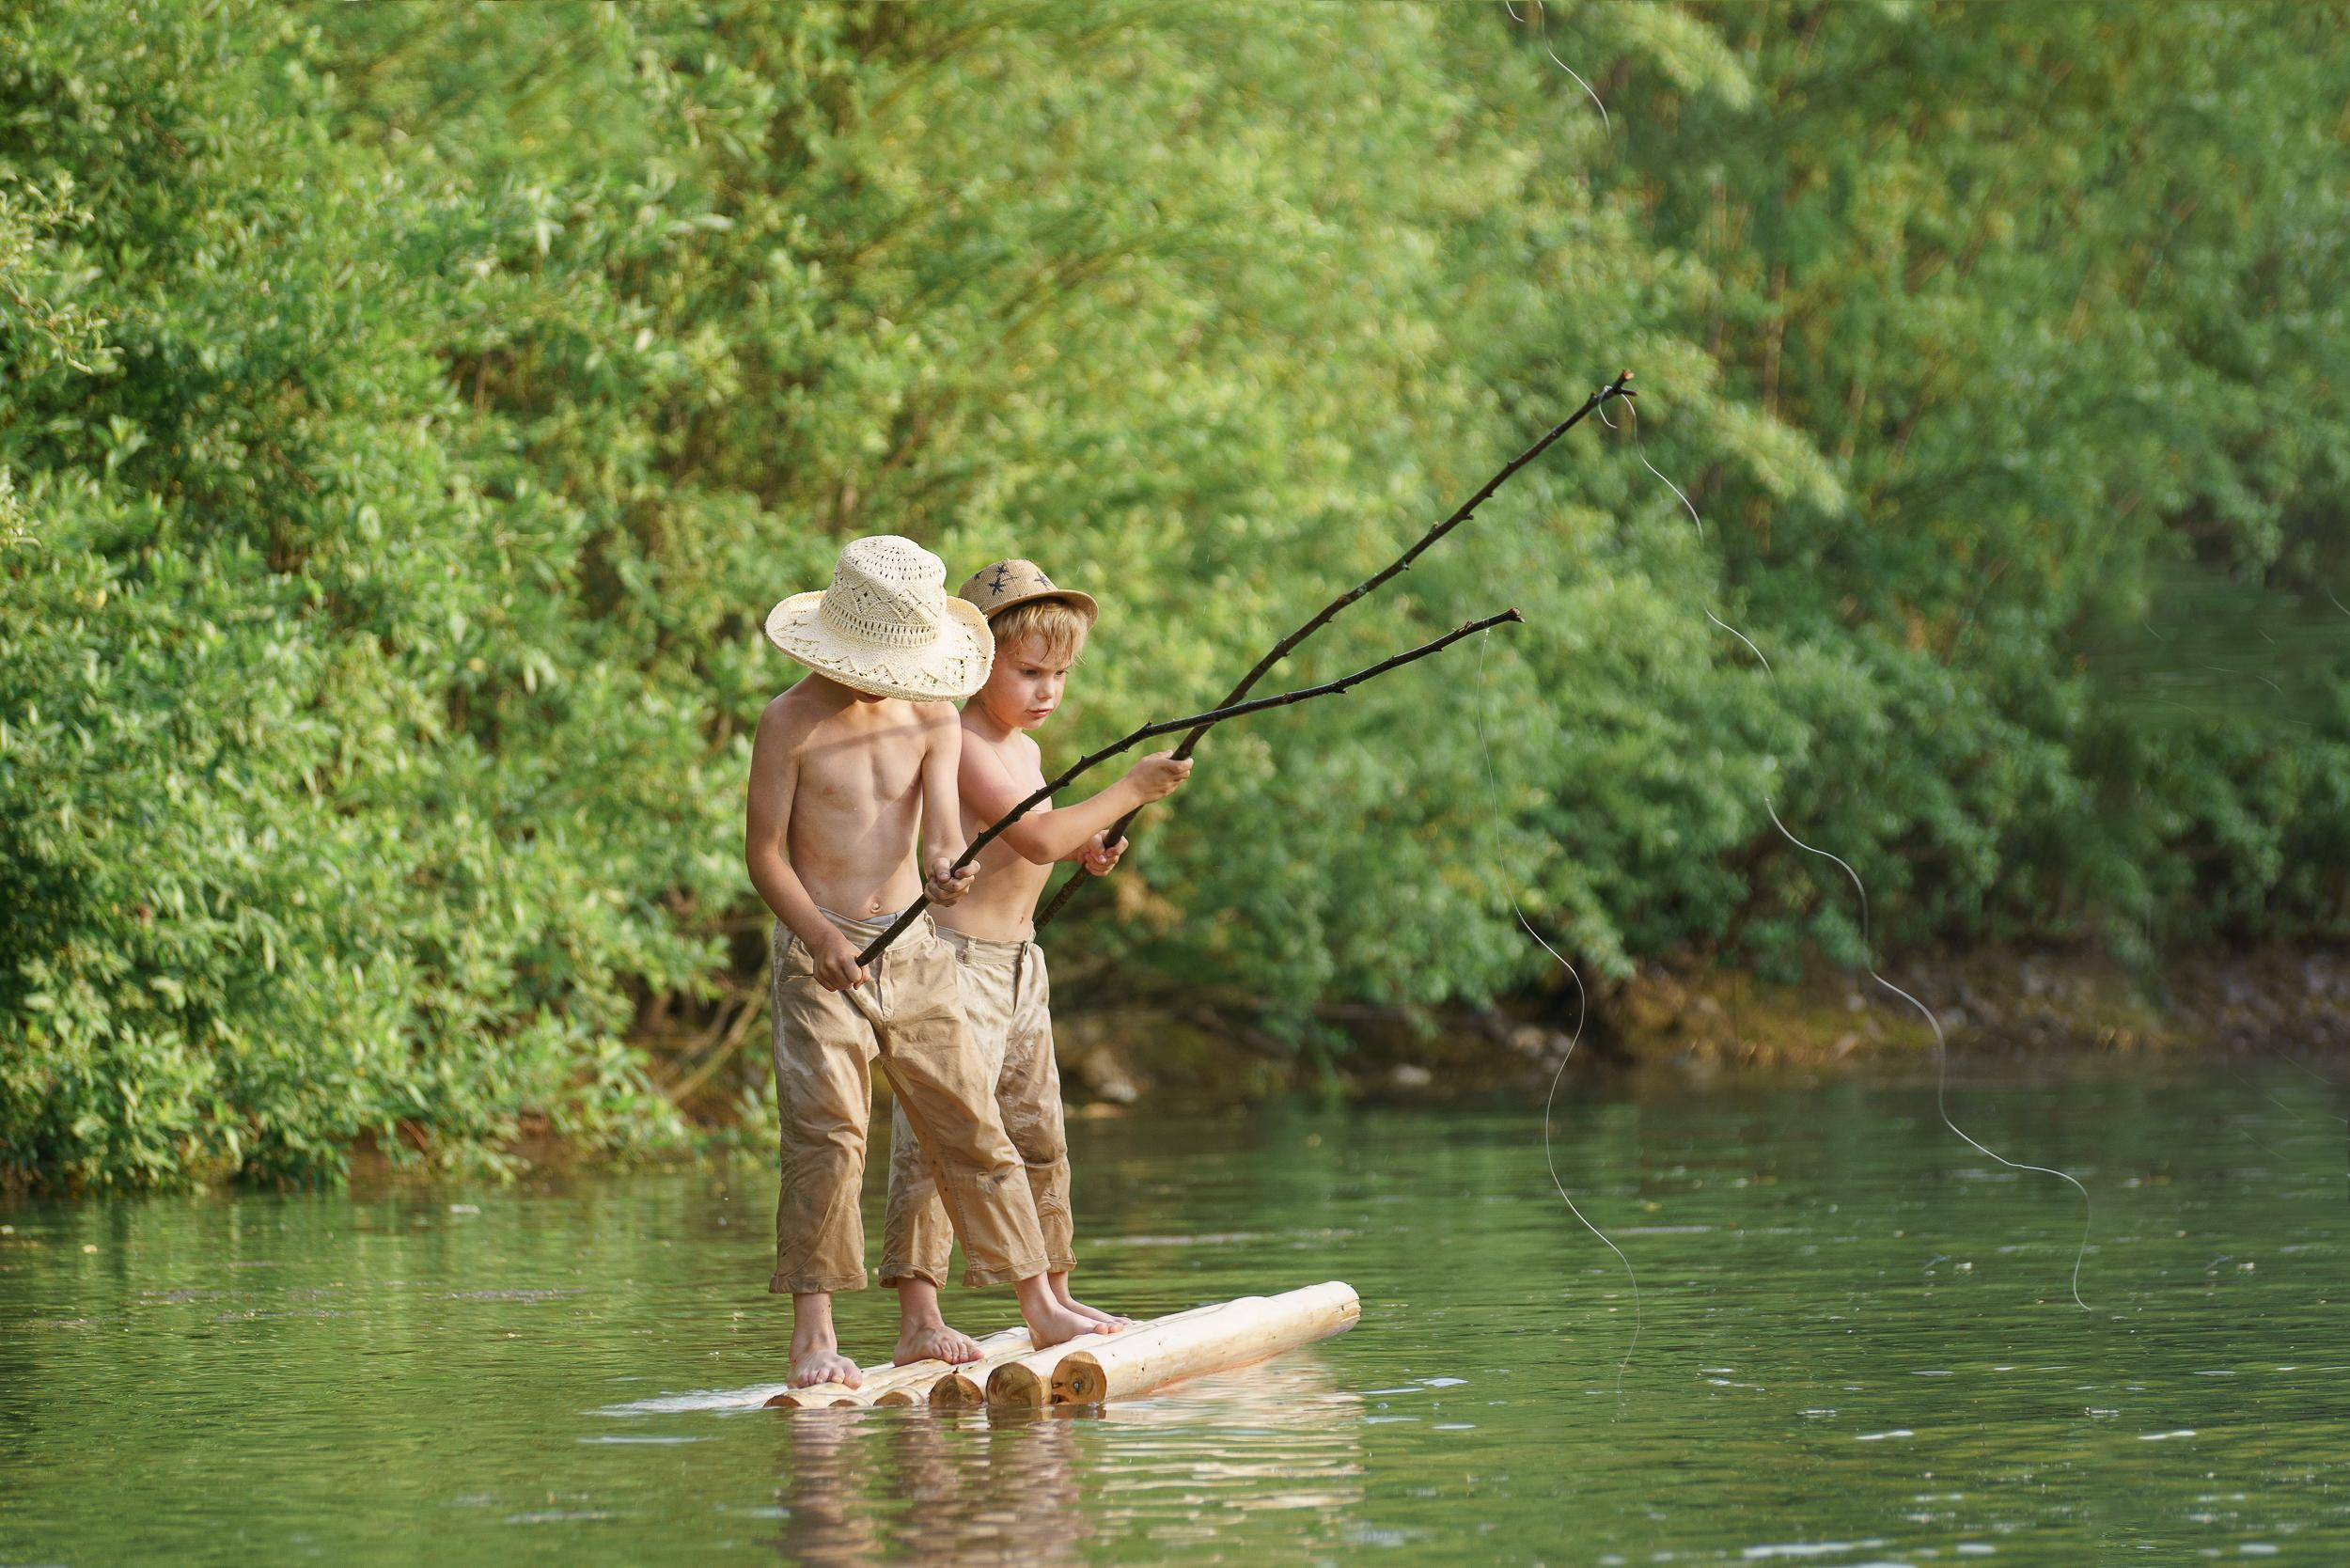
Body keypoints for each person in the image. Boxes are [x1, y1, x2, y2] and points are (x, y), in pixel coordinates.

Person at [744, 536, 1117, 1388]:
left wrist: (948, 872)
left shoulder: (931, 714)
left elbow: (944, 839)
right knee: (829, 1134)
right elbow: (765, 856)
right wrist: (822, 934)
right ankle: (814, 1335)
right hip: (819, 949)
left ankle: (1037, 1300)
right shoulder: (789, 721)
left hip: (911, 948)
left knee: (969, 1119)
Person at [880, 558, 1192, 1365]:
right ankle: (921, 1317)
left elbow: (1051, 843)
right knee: (945, 1136)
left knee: (1037, 1132)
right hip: (957, 967)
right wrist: (1128, 789)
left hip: (1021, 966)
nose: (1048, 690)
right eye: (1029, 672)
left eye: (1060, 674)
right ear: (978, 663)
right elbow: (1030, 837)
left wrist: (1090, 846)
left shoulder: (1024, 747)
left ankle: (1049, 1291)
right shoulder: (963, 736)